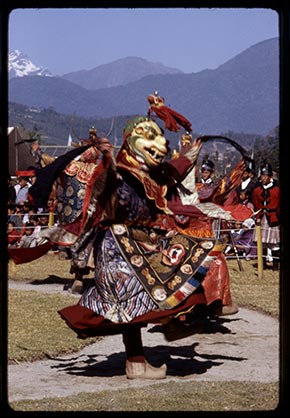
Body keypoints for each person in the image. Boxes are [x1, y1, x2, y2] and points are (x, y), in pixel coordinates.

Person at [36, 93, 252, 379]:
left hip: (139, 243)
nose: (160, 143)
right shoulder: (118, 172)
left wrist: (188, 156)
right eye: (148, 135)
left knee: (165, 286)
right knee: (134, 304)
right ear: (130, 140)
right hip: (118, 247)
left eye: (160, 136)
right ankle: (139, 360)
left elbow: (167, 173)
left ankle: (151, 349)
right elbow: (102, 190)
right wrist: (101, 160)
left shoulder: (146, 172)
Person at [252, 163, 280, 270]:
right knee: (261, 242)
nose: (263, 178)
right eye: (262, 176)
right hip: (261, 217)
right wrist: (257, 216)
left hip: (273, 217)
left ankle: (275, 266)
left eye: (265, 176)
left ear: (270, 177)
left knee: (274, 243)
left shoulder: (277, 190)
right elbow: (255, 205)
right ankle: (262, 264)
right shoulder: (257, 190)